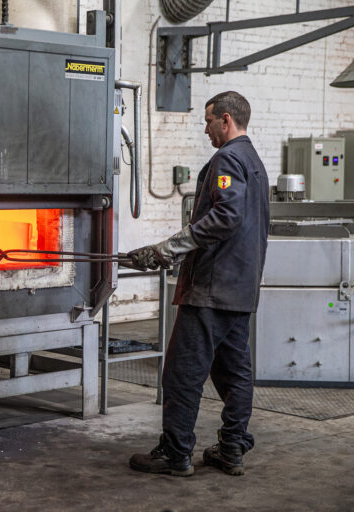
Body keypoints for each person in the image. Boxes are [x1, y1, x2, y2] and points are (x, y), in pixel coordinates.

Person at [127, 91, 269, 477]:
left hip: (212, 289)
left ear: (226, 120)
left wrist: (169, 247)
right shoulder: (254, 162)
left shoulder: (228, 158)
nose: (205, 129)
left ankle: (175, 454)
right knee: (233, 373)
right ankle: (231, 448)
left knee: (182, 372)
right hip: (240, 289)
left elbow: (226, 217)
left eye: (208, 121)